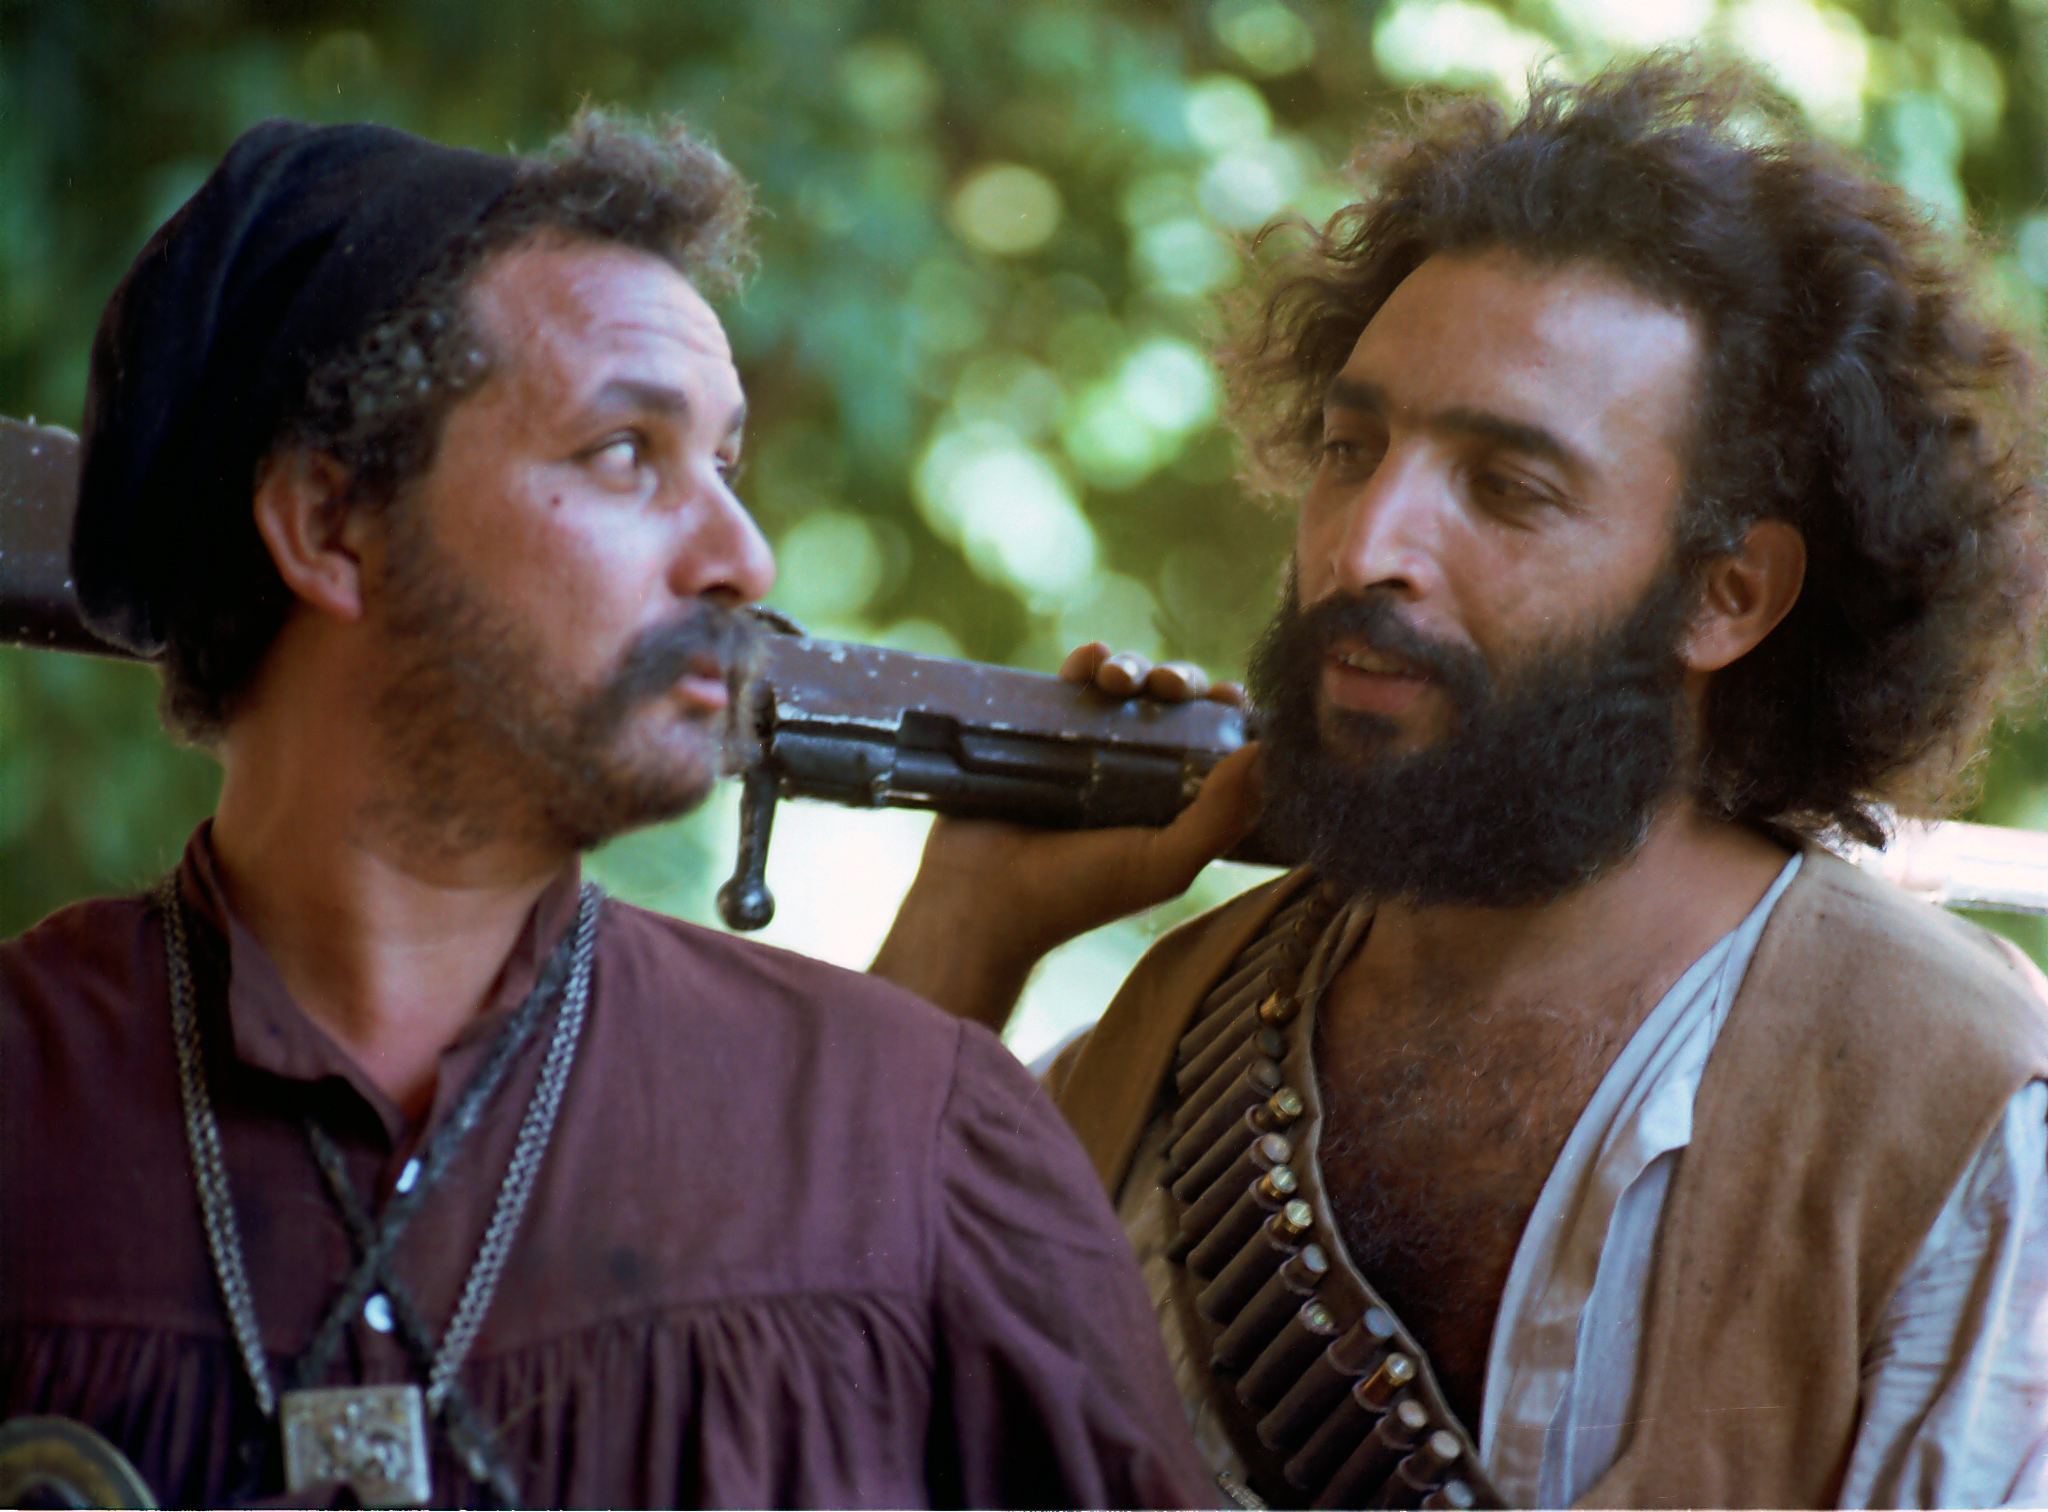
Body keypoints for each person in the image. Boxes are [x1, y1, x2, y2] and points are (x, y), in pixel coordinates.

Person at [873, 58, 2048, 1509]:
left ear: (1727, 594)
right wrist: (967, 931)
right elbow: (775, 1430)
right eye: (1350, 449)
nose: (1367, 546)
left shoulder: (1954, 1111)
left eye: (1508, 488)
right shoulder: (1152, 1051)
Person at [0, 112, 1211, 1508]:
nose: (743, 557)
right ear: (331, 525)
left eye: (724, 466)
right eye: (625, 451)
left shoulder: (920, 1136)